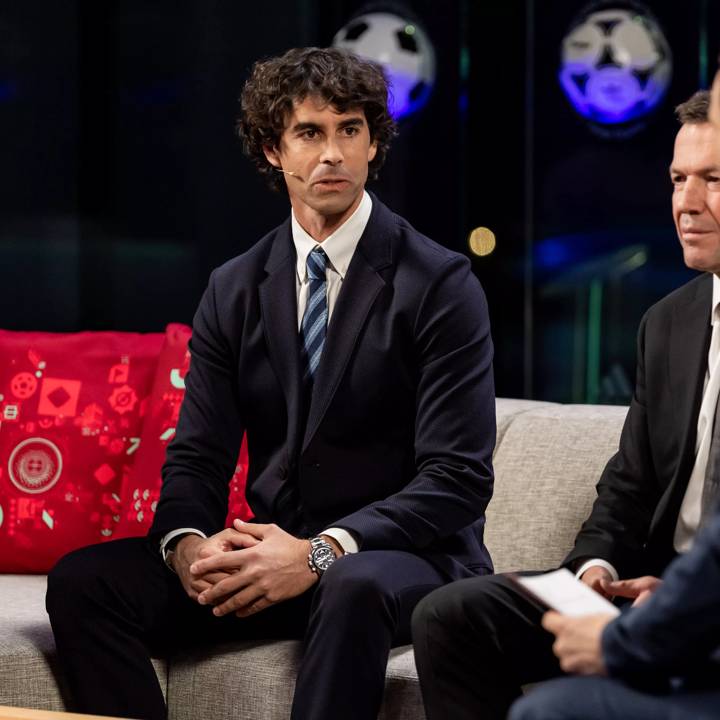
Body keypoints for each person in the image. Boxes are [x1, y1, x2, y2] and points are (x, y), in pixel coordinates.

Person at [45, 47, 496, 720]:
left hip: (403, 559)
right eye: (310, 133)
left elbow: (457, 479)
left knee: (352, 586)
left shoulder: (439, 284)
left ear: (374, 143)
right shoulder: (235, 287)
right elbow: (198, 456)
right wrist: (189, 547)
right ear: (272, 149)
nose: (333, 154)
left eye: (350, 129)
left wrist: (320, 552)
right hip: (274, 556)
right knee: (84, 583)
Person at [412, 87, 720, 720]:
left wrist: (680, 599)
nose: (686, 204)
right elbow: (627, 487)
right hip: (645, 593)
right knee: (451, 615)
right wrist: (595, 571)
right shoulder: (669, 323)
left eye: (713, 180)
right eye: (677, 179)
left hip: (702, 610)